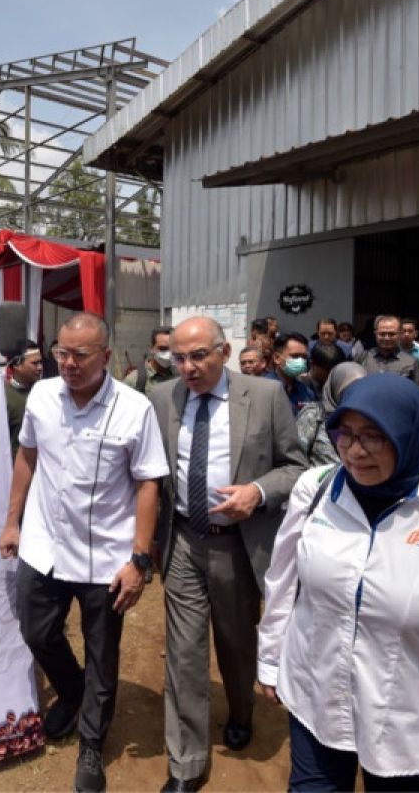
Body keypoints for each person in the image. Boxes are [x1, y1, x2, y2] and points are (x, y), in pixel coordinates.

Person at [259, 374, 419, 792]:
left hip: (403, 721)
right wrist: (271, 657)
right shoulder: (314, 492)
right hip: (314, 693)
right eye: (345, 434)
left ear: (407, 437)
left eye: (375, 436)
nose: (355, 451)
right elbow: (283, 580)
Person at [0, 312, 168, 793]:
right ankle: (73, 693)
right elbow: (27, 455)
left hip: (105, 556)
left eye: (80, 355)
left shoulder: (134, 409)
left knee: (101, 652)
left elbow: (148, 482)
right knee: (37, 631)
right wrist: (13, 521)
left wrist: (139, 559)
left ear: (106, 357)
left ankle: (92, 742)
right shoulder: (42, 396)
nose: (68, 364)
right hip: (44, 545)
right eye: (61, 354)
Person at [149, 316, 306, 792]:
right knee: (183, 652)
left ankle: (241, 708)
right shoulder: (160, 398)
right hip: (181, 540)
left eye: (199, 356)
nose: (188, 367)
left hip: (238, 544)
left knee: (237, 643)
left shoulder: (264, 396)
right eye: (178, 358)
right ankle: (186, 763)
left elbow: (296, 467)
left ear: (223, 350)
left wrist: (258, 492)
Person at [295, 361, 367, 467]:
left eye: (360, 390)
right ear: (335, 388)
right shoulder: (314, 415)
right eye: (348, 390)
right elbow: (296, 459)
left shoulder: (369, 418)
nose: (354, 395)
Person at [358, 315, 419, 393]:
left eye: (391, 334)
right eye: (382, 334)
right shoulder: (362, 358)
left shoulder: (412, 363)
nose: (387, 338)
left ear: (400, 334)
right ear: (375, 334)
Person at [4, 341, 43, 457]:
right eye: (35, 363)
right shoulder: (3, 397)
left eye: (41, 362)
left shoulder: (45, 393)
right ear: (17, 365)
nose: (40, 367)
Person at [264, 331, 317, 415]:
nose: (300, 361)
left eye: (303, 357)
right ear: (277, 358)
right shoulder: (263, 388)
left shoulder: (306, 392)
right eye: (295, 356)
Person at [123, 326, 175, 395]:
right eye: (163, 348)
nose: (169, 353)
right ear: (152, 348)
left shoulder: (181, 377)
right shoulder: (134, 380)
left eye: (173, 349)